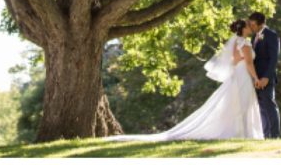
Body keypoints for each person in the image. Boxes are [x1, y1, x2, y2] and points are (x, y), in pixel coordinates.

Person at [102, 19, 264, 142]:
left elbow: (235, 59)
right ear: (243, 29)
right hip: (243, 75)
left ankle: (240, 132)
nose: (250, 28)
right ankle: (243, 133)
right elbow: (248, 62)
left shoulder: (236, 41)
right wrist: (256, 77)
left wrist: (241, 64)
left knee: (236, 102)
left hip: (237, 74)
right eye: (248, 26)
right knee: (243, 103)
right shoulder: (244, 42)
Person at [248, 11, 281, 138]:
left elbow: (274, 58)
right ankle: (266, 135)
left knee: (269, 105)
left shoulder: (271, 35)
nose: (251, 27)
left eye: (253, 24)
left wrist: (266, 77)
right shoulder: (253, 37)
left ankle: (275, 135)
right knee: (261, 108)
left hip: (266, 78)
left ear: (261, 24)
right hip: (256, 79)